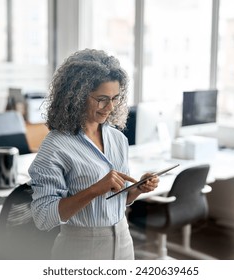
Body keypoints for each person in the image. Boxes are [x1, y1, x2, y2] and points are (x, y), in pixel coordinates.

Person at [28, 49, 159, 260]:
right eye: (102, 99)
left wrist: (137, 189)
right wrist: (95, 189)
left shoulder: (117, 139)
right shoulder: (56, 146)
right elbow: (43, 218)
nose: (110, 107)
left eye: (115, 98)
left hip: (123, 240)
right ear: (77, 96)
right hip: (80, 249)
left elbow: (119, 200)